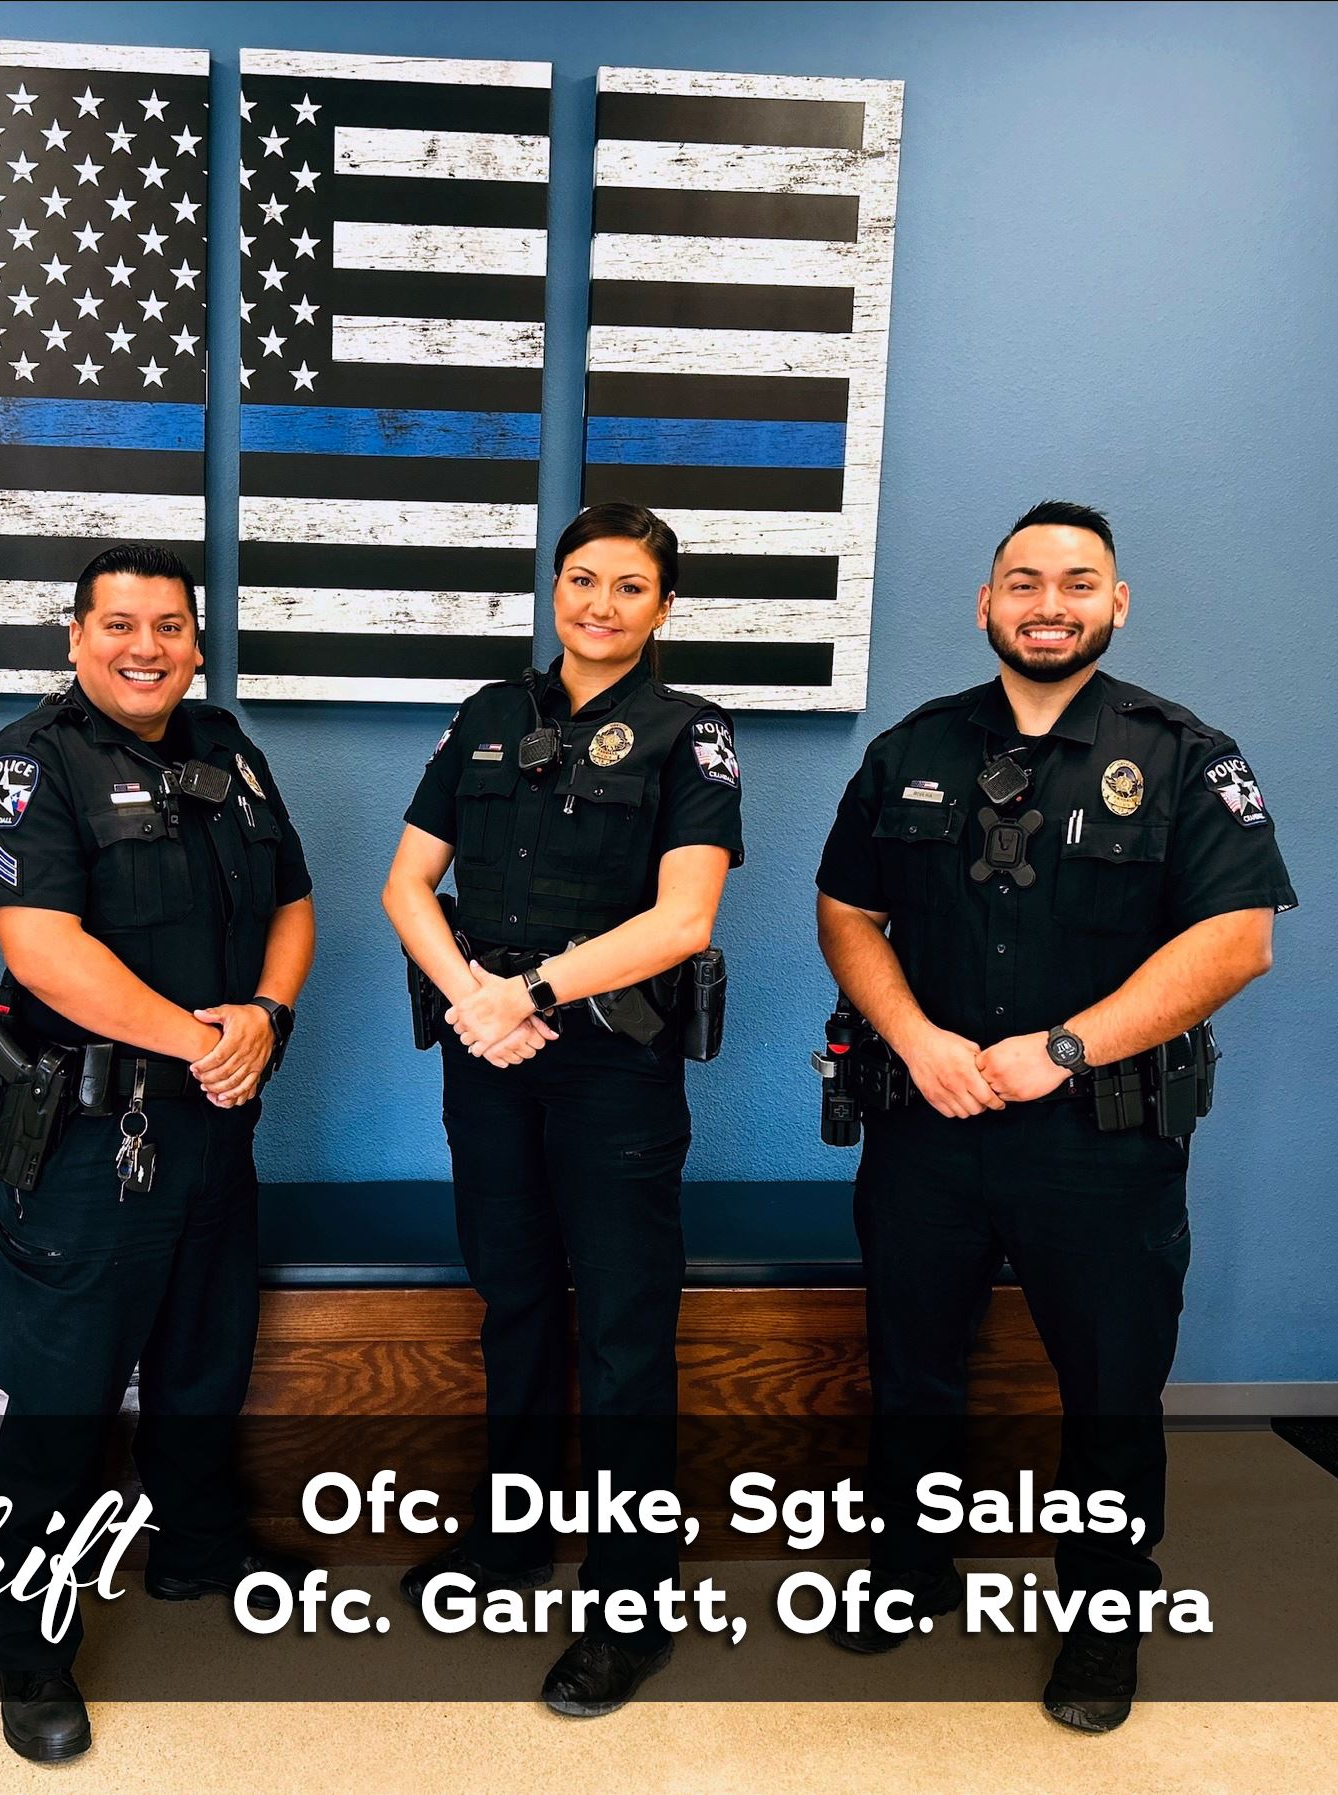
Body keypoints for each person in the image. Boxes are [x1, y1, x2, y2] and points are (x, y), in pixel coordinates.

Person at [814, 500, 1294, 1731]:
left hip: (1103, 1139)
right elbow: (845, 912)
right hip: (925, 1119)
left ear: (1115, 604)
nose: (1047, 602)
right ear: (983, 604)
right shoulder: (908, 748)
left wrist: (1065, 1050)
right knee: (913, 1369)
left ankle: (1100, 1616)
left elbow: (1235, 940)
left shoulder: (1186, 753)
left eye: (1076, 582)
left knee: (1109, 1390)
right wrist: (914, 1038)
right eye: (1020, 580)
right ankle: (909, 1566)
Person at [380, 502, 742, 1717]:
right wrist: (475, 1003)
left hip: (610, 1066)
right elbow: (405, 881)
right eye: (580, 579)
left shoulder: (689, 735)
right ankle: (512, 1540)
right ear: (553, 589)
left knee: (624, 1327)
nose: (598, 604)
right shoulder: (488, 716)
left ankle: (630, 1602)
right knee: (516, 1299)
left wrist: (523, 990)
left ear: (662, 607)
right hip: (485, 1049)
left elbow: (681, 920)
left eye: (627, 587)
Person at [0, 543, 317, 1763]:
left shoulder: (228, 748)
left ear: (196, 641)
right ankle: (26, 1639)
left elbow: (292, 902)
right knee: (62, 1397)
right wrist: (199, 1042)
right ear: (74, 637)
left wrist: (263, 1018)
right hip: (83, 1132)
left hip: (215, 1120)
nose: (145, 646)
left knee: (203, 1355)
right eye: (118, 624)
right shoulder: (31, 762)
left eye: (168, 625)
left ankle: (197, 1550)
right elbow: (41, 944)